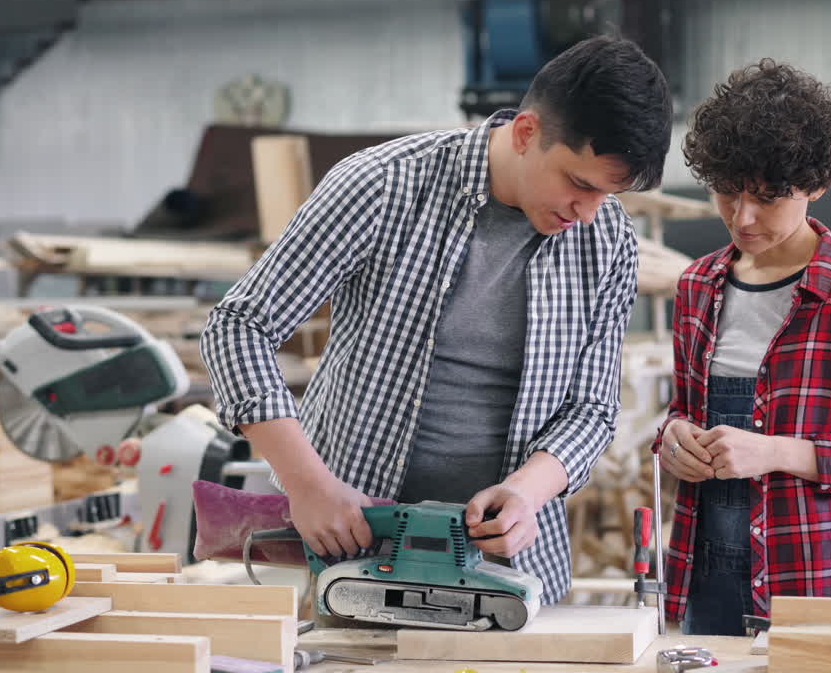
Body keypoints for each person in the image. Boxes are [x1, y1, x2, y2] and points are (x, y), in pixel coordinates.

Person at [201, 35, 673, 604]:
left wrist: (527, 491)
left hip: (508, 567)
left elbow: (592, 410)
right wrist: (310, 486)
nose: (588, 212)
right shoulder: (384, 186)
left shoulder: (609, 239)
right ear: (526, 133)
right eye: (579, 184)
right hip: (354, 544)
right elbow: (239, 327)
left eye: (608, 194)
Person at [653, 58, 831, 634]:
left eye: (767, 197)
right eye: (727, 193)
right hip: (702, 576)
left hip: (820, 581)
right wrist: (673, 438)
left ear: (817, 184)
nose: (743, 216)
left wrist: (779, 452)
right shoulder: (696, 287)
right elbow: (684, 408)